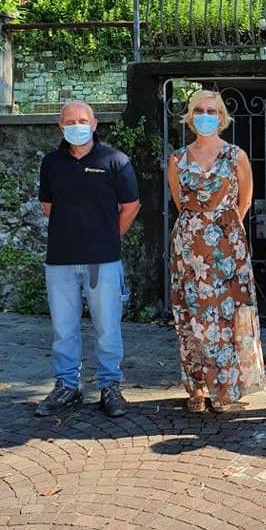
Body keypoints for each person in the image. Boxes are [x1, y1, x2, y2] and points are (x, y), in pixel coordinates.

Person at [36, 101, 140, 418]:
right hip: (61, 261)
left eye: (83, 120)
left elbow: (131, 207)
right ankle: (67, 387)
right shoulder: (51, 163)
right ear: (60, 126)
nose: (76, 125)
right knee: (63, 330)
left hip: (101, 261)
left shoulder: (115, 161)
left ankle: (110, 386)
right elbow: (48, 207)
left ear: (94, 125)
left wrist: (106, 238)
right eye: (69, 121)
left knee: (107, 328)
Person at [167, 89, 265, 413]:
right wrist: (200, 228)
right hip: (189, 250)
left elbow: (245, 201)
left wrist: (221, 229)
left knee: (226, 316)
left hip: (227, 247)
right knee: (191, 315)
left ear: (221, 117)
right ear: (190, 116)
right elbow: (180, 203)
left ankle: (224, 388)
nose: (205, 116)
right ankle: (197, 387)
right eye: (199, 110)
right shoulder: (177, 159)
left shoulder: (236, 156)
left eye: (212, 111)